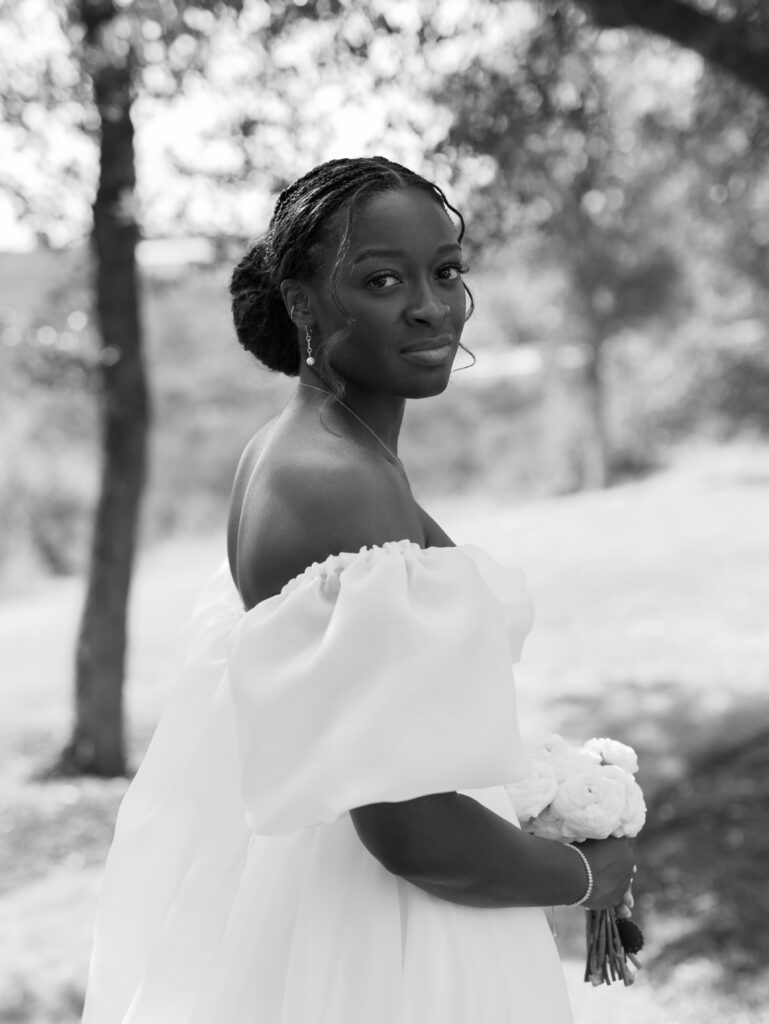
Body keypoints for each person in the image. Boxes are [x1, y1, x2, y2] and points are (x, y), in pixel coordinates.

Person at [81, 156, 635, 1024]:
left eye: (446, 271)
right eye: (382, 279)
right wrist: (586, 877)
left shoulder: (300, 448)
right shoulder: (339, 485)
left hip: (317, 898)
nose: (430, 304)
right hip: (391, 942)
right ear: (303, 304)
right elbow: (414, 832)